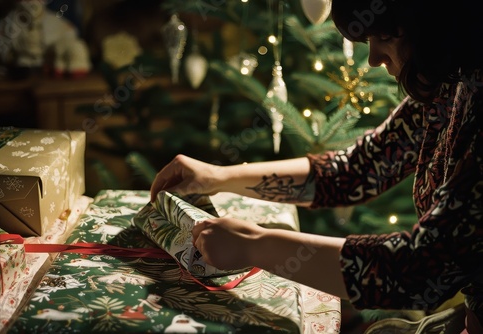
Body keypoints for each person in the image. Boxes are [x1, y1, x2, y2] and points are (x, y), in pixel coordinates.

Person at [150, 0, 483, 332]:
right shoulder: (446, 83)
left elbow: (419, 270)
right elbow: (355, 171)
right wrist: (216, 176)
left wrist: (256, 245)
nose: (374, 58)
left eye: (386, 37)